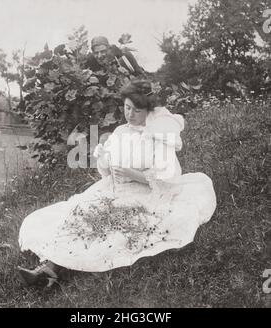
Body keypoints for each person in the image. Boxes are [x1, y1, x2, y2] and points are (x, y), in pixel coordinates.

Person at [17, 80, 216, 286]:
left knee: (113, 232)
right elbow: (107, 170)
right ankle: (49, 267)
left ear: (148, 111)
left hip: (147, 194)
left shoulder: (159, 136)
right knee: (80, 213)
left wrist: (132, 174)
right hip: (116, 188)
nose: (130, 114)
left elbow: (166, 180)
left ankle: (50, 269)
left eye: (137, 111)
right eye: (127, 107)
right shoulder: (121, 131)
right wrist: (105, 159)